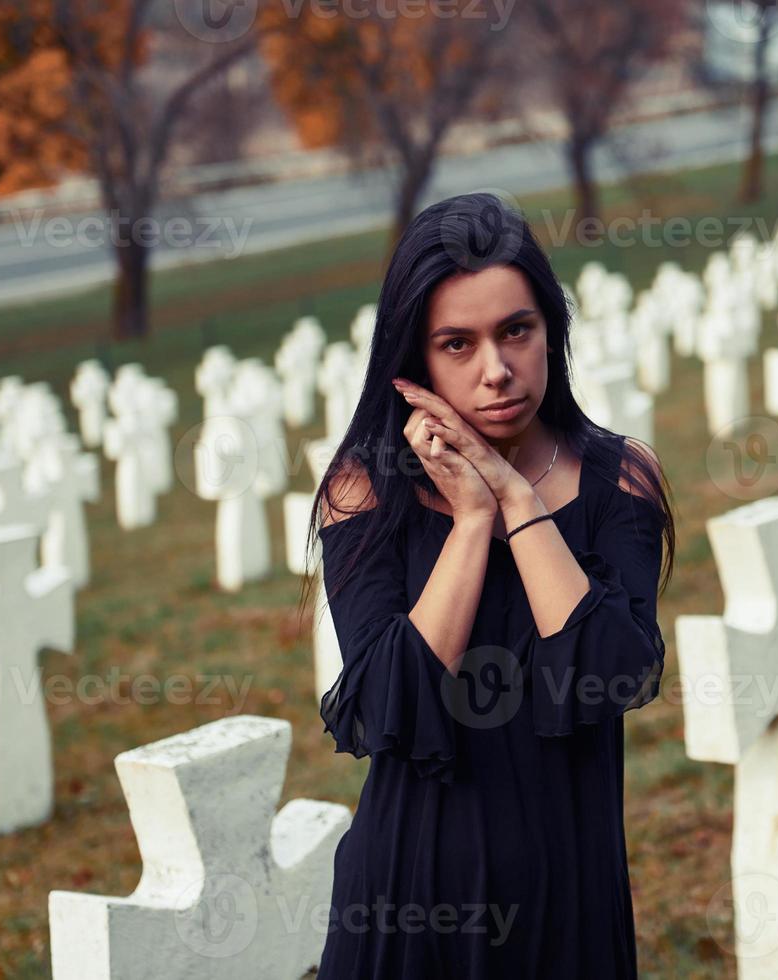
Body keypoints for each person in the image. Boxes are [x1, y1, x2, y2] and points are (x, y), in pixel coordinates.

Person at [302, 191, 676, 977]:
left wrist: (515, 496)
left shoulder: (620, 481)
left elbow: (610, 672)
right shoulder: (364, 491)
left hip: (570, 895)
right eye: (457, 344)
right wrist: (472, 521)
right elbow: (383, 707)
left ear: (551, 332)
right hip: (409, 897)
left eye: (516, 331)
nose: (497, 370)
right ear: (417, 361)